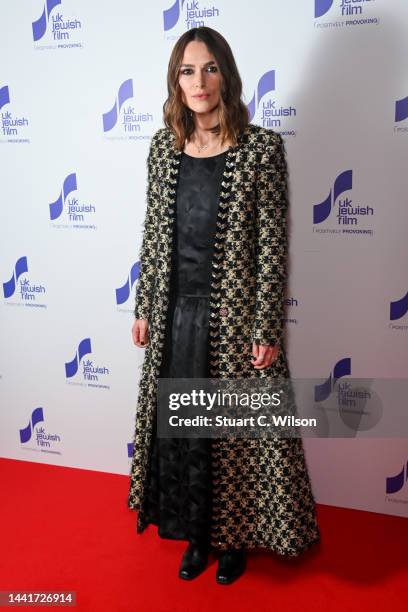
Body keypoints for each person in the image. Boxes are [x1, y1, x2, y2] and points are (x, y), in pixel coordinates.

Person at [129, 26, 321, 585]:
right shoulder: (163, 147)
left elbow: (271, 246)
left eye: (209, 68)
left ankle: (234, 542)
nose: (198, 81)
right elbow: (153, 233)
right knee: (184, 435)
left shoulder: (262, 149)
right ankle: (194, 535)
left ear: (227, 76)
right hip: (175, 318)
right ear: (175, 79)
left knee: (234, 440)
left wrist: (265, 325)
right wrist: (145, 305)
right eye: (187, 70)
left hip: (233, 320)